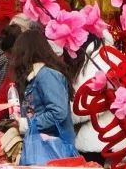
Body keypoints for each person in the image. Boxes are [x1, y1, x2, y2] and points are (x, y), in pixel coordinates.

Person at [8, 29, 78, 165]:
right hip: (44, 148)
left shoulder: (46, 75)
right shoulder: (35, 77)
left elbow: (58, 112)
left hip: (54, 148)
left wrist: (27, 123)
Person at [63, 32, 113, 163]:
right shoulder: (96, 55)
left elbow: (91, 102)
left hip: (97, 139)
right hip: (99, 137)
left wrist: (65, 113)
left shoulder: (99, 59)